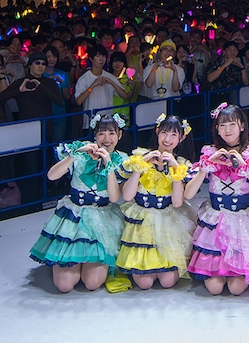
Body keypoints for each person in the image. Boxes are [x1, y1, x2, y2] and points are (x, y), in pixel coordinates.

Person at [30, 112, 129, 293]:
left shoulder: (121, 160)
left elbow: (115, 197)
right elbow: (52, 176)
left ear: (120, 135)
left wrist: (108, 166)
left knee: (92, 283)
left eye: (112, 133)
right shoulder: (80, 153)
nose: (106, 139)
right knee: (65, 285)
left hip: (103, 218)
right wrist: (74, 155)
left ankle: (86, 262)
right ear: (95, 135)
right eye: (101, 133)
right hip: (73, 217)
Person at [184, 102, 249, 295]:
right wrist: (205, 167)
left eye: (232, 124)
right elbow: (188, 194)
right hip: (215, 221)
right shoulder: (209, 152)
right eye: (222, 125)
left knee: (236, 289)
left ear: (242, 126)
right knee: (215, 288)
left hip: (244, 222)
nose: (227, 130)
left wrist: (246, 169)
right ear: (216, 128)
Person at [114, 114, 197, 290]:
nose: (167, 139)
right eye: (164, 133)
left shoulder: (181, 164)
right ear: (157, 132)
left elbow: (176, 202)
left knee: (167, 282)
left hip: (167, 219)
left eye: (174, 135)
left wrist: (175, 170)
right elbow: (127, 196)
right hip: (141, 221)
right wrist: (140, 167)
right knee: (144, 283)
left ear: (182, 138)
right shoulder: (139, 156)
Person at [73, 44, 128, 130]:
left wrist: (111, 82)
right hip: (90, 123)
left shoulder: (109, 76)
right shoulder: (84, 78)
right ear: (91, 58)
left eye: (103, 56)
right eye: (98, 56)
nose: (101, 59)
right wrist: (93, 85)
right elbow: (79, 101)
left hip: (107, 122)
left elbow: (124, 96)